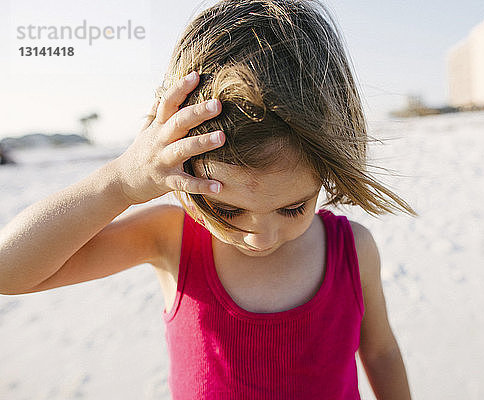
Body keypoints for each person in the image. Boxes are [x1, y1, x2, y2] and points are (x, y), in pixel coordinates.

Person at [0, 0, 416, 398]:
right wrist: (120, 184)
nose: (260, 236)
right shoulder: (170, 239)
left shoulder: (353, 250)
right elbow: (10, 272)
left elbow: (379, 351)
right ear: (183, 169)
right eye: (227, 209)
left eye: (293, 207)